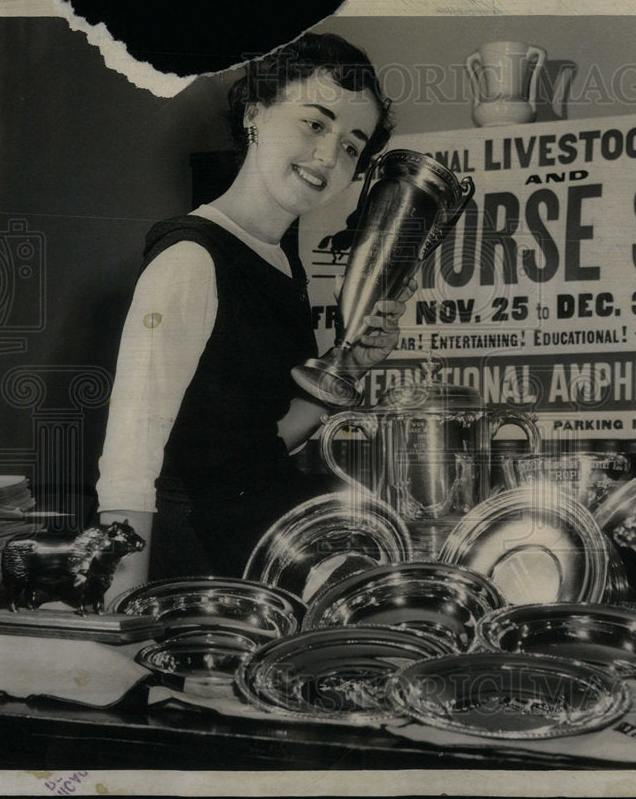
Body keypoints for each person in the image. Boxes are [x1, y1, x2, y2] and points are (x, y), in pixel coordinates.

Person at [96, 33, 407, 595]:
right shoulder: (191, 258)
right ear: (256, 114)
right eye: (316, 123)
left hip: (263, 545)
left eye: (351, 146)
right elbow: (129, 458)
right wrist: (122, 610)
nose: (328, 156)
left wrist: (350, 365)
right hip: (194, 562)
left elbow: (255, 447)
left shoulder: (279, 264)